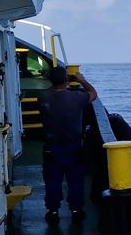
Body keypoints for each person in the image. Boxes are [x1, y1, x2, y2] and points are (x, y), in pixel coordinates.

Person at [37, 66, 98, 223]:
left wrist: (61, 84)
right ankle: (76, 210)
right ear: (66, 80)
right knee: (75, 180)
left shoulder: (43, 98)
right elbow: (93, 94)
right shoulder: (77, 97)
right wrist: (82, 80)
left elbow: (53, 90)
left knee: (52, 181)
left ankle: (53, 211)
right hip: (74, 148)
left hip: (51, 148)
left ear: (51, 81)